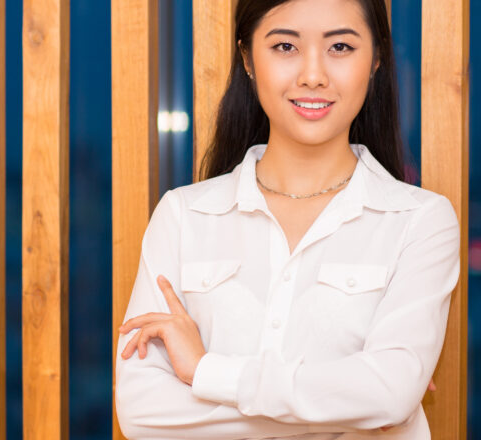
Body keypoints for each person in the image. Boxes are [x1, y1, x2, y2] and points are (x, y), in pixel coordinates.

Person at [114, 0, 461, 438]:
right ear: (247, 58)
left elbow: (390, 393)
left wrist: (207, 373)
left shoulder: (420, 222)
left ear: (375, 59)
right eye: (284, 46)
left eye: (339, 46)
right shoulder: (184, 216)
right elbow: (142, 413)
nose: (313, 74)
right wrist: (345, 405)